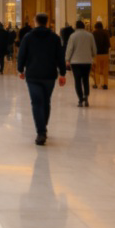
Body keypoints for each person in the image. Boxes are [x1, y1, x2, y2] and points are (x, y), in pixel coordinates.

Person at [17, 13, 67, 145]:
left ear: (35, 21)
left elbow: (21, 54)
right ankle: (42, 127)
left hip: (33, 75)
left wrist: (20, 69)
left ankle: (41, 131)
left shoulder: (28, 37)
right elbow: (60, 57)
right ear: (47, 22)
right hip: (49, 75)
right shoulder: (55, 38)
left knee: (36, 102)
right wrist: (62, 73)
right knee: (46, 101)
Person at [66, 21, 97, 107]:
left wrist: (67, 59)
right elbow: (94, 49)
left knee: (77, 80)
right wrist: (92, 55)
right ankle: (86, 96)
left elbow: (70, 49)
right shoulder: (90, 35)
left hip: (75, 62)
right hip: (87, 62)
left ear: (76, 27)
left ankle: (80, 99)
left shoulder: (73, 36)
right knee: (85, 79)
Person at [92, 20, 111, 90]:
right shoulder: (106, 33)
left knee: (96, 69)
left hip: (96, 54)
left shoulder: (94, 33)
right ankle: (105, 84)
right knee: (105, 69)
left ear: (95, 27)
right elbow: (109, 44)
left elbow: (92, 44)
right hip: (105, 54)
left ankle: (96, 83)